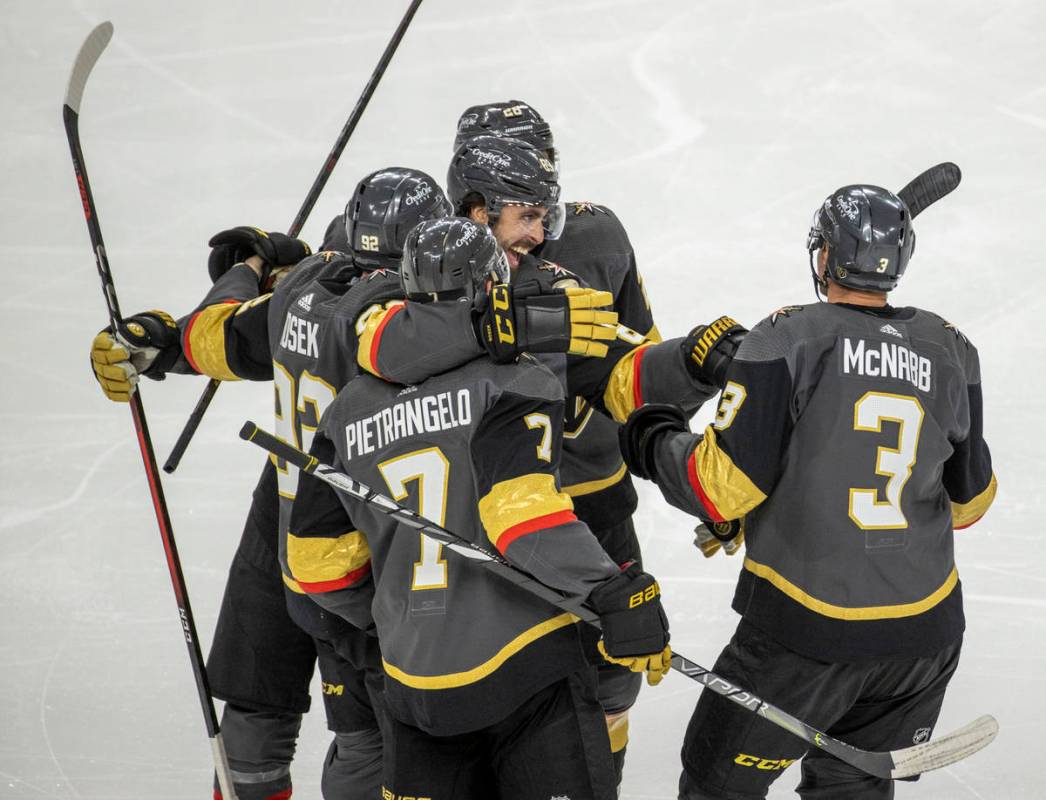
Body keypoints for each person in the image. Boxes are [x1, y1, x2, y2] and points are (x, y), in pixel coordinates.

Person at [89, 167, 616, 799]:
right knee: (374, 743)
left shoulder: (304, 288)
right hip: (366, 554)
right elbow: (397, 344)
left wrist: (175, 326)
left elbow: (215, 335)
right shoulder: (384, 313)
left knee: (265, 721)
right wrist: (518, 323)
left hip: (291, 536)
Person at [618, 184, 997, 799]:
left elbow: (722, 489)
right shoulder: (952, 348)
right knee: (852, 791)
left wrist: (651, 439)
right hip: (923, 641)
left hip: (806, 636)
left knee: (717, 785)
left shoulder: (784, 337)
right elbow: (970, 503)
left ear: (823, 256)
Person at [288, 216, 673, 799]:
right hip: (525, 672)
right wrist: (609, 591)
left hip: (413, 686)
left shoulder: (348, 411)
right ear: (494, 287)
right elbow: (523, 522)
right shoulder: (514, 380)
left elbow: (315, 562)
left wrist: (395, 615)